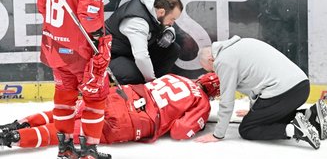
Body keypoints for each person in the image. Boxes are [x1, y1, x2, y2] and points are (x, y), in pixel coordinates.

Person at [0, 73, 219, 149]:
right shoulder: (202, 102)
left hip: (120, 95)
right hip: (131, 120)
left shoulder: (177, 76)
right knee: (67, 133)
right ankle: (16, 138)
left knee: (67, 113)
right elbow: (180, 131)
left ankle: (19, 123)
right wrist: (198, 125)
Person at [196, 35, 327, 150]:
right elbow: (257, 82)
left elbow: (227, 101)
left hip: (283, 93)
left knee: (247, 129)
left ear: (211, 60)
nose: (214, 73)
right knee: (268, 119)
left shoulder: (223, 61)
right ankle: (311, 115)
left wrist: (217, 134)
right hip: (302, 87)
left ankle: (295, 130)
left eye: (211, 70)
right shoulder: (242, 43)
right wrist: (256, 111)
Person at [37, 0, 111, 158]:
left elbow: (42, 5)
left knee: (64, 95)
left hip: (54, 44)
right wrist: (98, 35)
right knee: (95, 97)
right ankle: (89, 152)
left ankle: (65, 148)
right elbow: (89, 15)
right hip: (79, 49)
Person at [105, 0, 183, 84]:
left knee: (173, 49)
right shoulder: (137, 22)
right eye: (172, 19)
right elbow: (141, 57)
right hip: (114, 55)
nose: (172, 23)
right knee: (134, 75)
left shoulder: (156, 5)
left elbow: (159, 22)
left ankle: (159, 85)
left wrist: (169, 32)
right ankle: (149, 87)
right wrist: (152, 81)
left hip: (131, 50)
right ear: (161, 12)